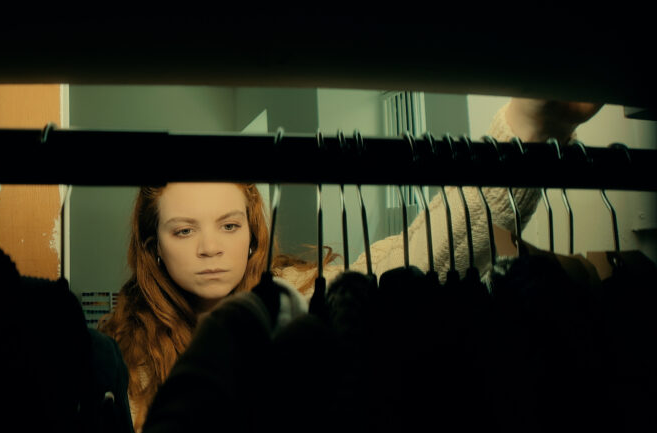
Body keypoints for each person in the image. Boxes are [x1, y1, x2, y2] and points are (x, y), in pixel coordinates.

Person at [96, 97, 603, 432]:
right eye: (184, 230)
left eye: (228, 225)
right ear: (154, 245)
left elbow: (431, 246)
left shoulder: (315, 296)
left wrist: (537, 123)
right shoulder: (118, 359)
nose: (210, 248)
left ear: (252, 235)